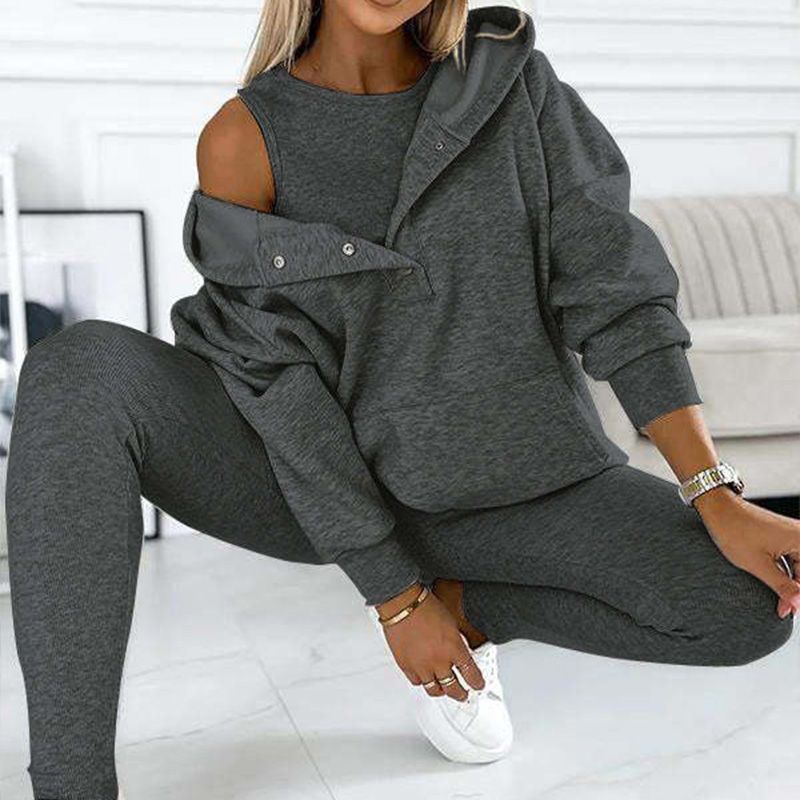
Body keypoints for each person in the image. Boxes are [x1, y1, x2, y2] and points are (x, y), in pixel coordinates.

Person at [7, 1, 800, 797]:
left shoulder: (514, 86)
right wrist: (393, 595)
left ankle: (467, 606)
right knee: (79, 370)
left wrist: (715, 496)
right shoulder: (244, 137)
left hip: (522, 481)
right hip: (320, 485)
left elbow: (616, 291)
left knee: (745, 606)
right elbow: (274, 379)